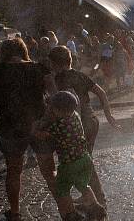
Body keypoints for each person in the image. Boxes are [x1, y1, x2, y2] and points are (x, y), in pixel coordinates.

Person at [0, 38, 60, 221]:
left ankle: (14, 213)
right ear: (23, 51)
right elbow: (55, 97)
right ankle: (66, 211)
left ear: (3, 52)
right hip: (40, 126)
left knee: (13, 172)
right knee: (49, 171)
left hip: (11, 128)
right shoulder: (40, 68)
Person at [49, 45, 120, 206]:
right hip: (92, 121)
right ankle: (89, 194)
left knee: (81, 161)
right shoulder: (80, 75)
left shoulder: (59, 79)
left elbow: (65, 101)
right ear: (70, 60)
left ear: (55, 63)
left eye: (52, 64)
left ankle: (98, 198)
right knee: (84, 159)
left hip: (79, 124)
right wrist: (108, 116)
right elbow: (101, 93)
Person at [33, 91, 107, 221]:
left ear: (59, 111)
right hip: (84, 159)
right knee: (83, 185)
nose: (50, 110)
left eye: (52, 108)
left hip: (69, 164)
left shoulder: (58, 125)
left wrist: (34, 128)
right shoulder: (75, 116)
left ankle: (73, 216)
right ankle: (96, 209)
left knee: (61, 189)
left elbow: (40, 134)